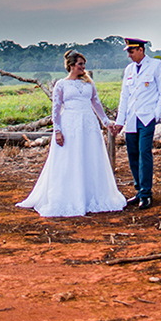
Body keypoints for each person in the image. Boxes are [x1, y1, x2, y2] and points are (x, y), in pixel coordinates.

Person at [17, 49, 126, 218]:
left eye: (84, 64)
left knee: (90, 157)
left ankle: (92, 196)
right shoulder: (61, 84)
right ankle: (70, 196)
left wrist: (106, 122)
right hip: (70, 124)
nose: (83, 67)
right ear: (71, 66)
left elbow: (96, 103)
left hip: (88, 124)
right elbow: (56, 109)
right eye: (80, 64)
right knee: (70, 158)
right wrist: (57, 131)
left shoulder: (88, 83)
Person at [113, 37, 161, 210]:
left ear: (141, 50)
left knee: (144, 153)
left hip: (146, 117)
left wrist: (156, 114)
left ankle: (146, 193)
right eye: (128, 52)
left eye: (131, 51)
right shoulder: (129, 69)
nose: (129, 55)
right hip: (132, 118)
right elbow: (124, 96)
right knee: (132, 154)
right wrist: (119, 121)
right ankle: (138, 190)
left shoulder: (155, 66)